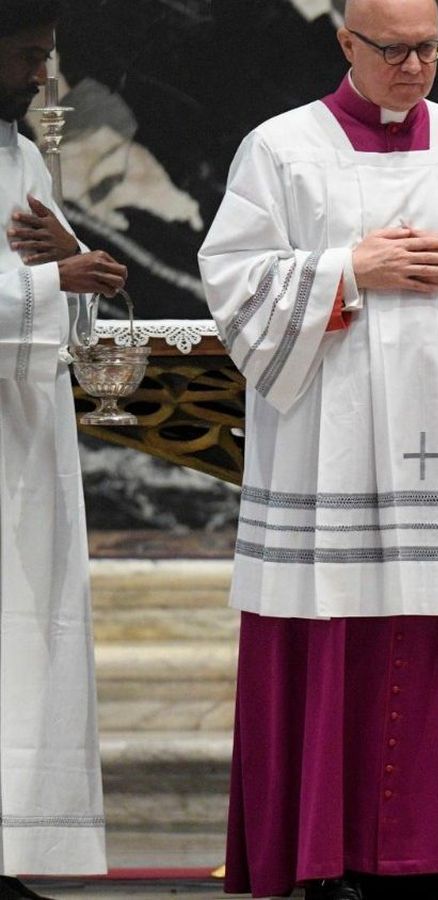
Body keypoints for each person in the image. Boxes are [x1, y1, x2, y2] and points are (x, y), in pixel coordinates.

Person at [197, 0, 438, 896]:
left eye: (427, 48)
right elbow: (235, 284)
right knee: (335, 622)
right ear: (345, 44)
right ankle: (328, 855)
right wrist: (346, 270)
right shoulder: (280, 149)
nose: (412, 67)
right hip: (332, 430)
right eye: (392, 50)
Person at [0, 4, 128, 899]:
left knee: (27, 649)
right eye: (28, 57)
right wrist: (56, 279)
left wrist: (73, 267)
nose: (42, 77)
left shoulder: (22, 155)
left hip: (26, 436)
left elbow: (38, 290)